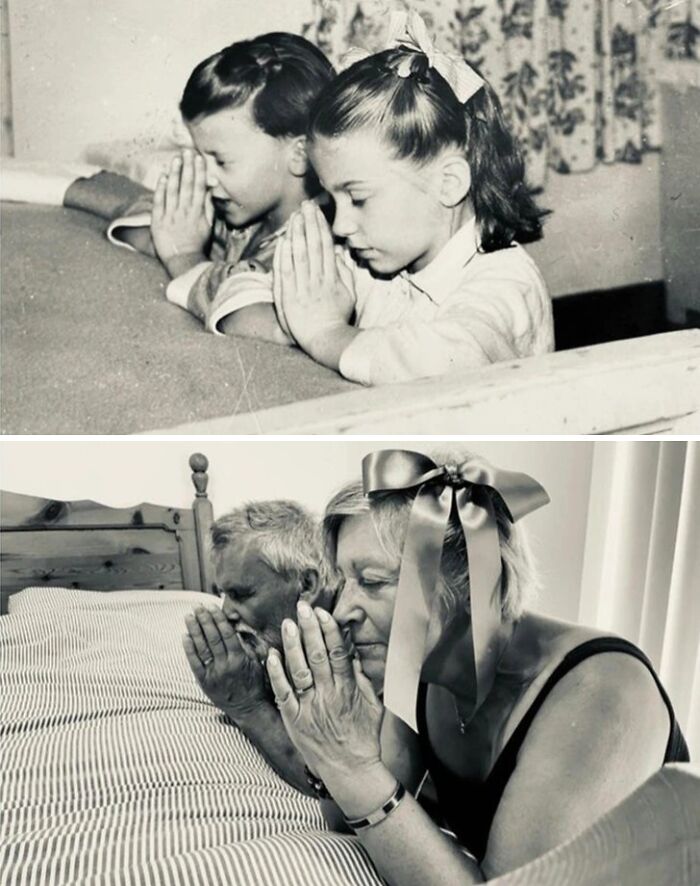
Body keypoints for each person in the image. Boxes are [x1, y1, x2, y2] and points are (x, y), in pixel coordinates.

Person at [266, 448, 690, 884]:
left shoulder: (604, 692)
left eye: (372, 582)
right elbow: (356, 824)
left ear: (469, 582)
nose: (342, 612)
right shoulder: (420, 672)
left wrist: (352, 769)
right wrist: (333, 751)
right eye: (344, 582)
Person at [272, 10, 554, 385]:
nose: (340, 226)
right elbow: (269, 288)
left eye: (357, 199)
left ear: (449, 183)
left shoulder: (505, 284)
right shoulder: (378, 252)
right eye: (331, 200)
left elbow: (446, 363)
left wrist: (325, 333)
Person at [107, 33, 334, 339]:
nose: (208, 178)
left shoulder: (319, 242)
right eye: (201, 157)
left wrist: (184, 256)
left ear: (299, 154)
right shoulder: (240, 206)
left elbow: (259, 320)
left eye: (222, 162)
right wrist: (171, 234)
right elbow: (151, 221)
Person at [182, 500, 338, 794]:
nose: (226, 611)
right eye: (223, 594)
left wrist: (247, 707)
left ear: (305, 584)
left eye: (242, 594)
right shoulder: (280, 639)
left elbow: (340, 786)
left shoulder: (360, 647)